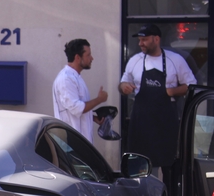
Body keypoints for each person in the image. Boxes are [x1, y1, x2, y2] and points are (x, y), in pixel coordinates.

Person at [119, 24, 197, 183]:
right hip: (141, 122)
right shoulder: (135, 61)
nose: (141, 43)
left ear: (156, 39)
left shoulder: (175, 60)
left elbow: (191, 86)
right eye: (140, 40)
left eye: (145, 40)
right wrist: (124, 87)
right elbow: (123, 83)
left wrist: (171, 92)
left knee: (169, 165)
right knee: (140, 165)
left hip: (165, 123)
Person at [52, 39, 108, 142]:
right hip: (71, 144)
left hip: (81, 143)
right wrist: (100, 99)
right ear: (77, 57)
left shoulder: (75, 77)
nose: (92, 58)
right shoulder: (66, 79)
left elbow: (73, 109)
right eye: (88, 55)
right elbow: (77, 108)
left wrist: (93, 118)